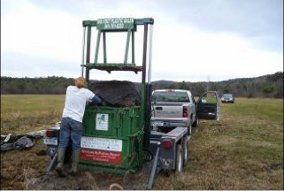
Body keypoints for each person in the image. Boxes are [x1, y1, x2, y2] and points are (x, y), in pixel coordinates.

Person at [55, 76, 102, 177]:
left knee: (63, 142)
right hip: (76, 121)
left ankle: (59, 164)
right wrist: (88, 103)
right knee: (76, 144)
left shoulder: (69, 88)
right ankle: (74, 168)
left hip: (65, 119)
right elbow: (98, 101)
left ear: (75, 82)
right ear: (84, 83)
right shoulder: (87, 92)